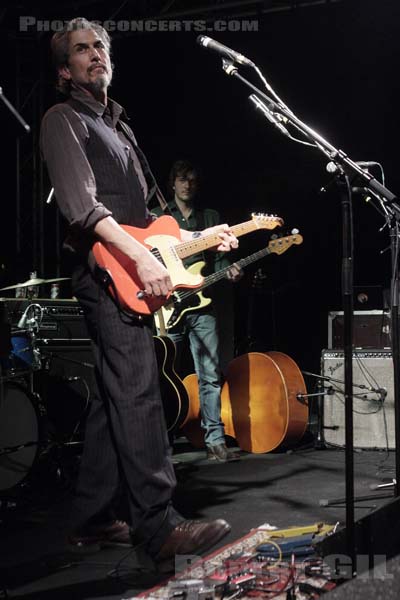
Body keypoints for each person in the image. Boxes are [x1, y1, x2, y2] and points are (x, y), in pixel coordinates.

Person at [39, 18, 240, 569]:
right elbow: (83, 209)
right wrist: (139, 258)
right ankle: (157, 527)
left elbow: (152, 217)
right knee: (138, 390)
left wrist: (198, 238)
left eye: (100, 45)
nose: (95, 53)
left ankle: (94, 518)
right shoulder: (64, 119)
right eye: (81, 49)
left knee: (114, 395)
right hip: (104, 268)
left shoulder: (120, 129)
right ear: (65, 70)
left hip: (132, 263)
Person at [152, 160, 241, 462]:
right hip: (169, 305)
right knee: (163, 375)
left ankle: (215, 439)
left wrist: (228, 270)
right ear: (172, 183)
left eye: (191, 179)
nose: (187, 184)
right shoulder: (159, 217)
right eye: (181, 179)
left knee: (210, 375)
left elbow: (218, 260)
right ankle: (162, 441)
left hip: (204, 305)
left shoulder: (211, 217)